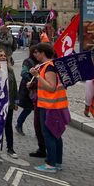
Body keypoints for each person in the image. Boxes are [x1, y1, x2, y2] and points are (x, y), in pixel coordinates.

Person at [29, 43, 69, 173]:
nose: (35, 55)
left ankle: (51, 164)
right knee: (56, 134)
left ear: (42, 53)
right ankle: (57, 162)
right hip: (53, 105)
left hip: (49, 106)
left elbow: (51, 87)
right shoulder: (49, 65)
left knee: (49, 134)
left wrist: (38, 76)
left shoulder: (49, 67)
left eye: (37, 52)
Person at [0, 50, 18, 159]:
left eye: (4, 56)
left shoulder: (10, 70)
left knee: (8, 125)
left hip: (8, 102)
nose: (3, 57)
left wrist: (15, 102)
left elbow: (15, 87)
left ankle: (10, 148)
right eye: (0, 55)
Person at [16, 47, 38, 136]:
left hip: (37, 87)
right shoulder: (27, 61)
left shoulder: (40, 62)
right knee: (28, 108)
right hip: (27, 87)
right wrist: (31, 80)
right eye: (35, 52)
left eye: (38, 52)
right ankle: (19, 124)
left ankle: (39, 132)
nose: (36, 54)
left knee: (35, 109)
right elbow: (23, 72)